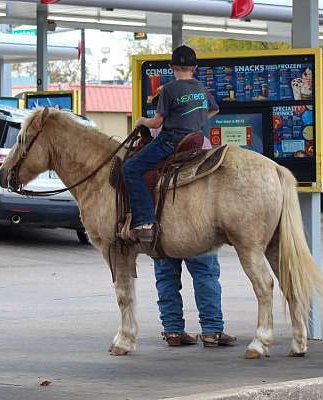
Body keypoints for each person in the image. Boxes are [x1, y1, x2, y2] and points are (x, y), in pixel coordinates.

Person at [122, 45, 219, 244]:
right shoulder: (201, 88)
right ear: (195, 68)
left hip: (171, 141)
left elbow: (156, 123)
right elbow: (214, 110)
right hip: (195, 139)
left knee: (130, 168)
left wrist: (141, 121)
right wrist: (198, 121)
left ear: (171, 67)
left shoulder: (168, 89)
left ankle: (144, 222)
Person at [155, 253, 237, 347]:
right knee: (205, 273)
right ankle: (212, 332)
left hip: (161, 241)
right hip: (193, 240)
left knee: (166, 277)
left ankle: (173, 332)